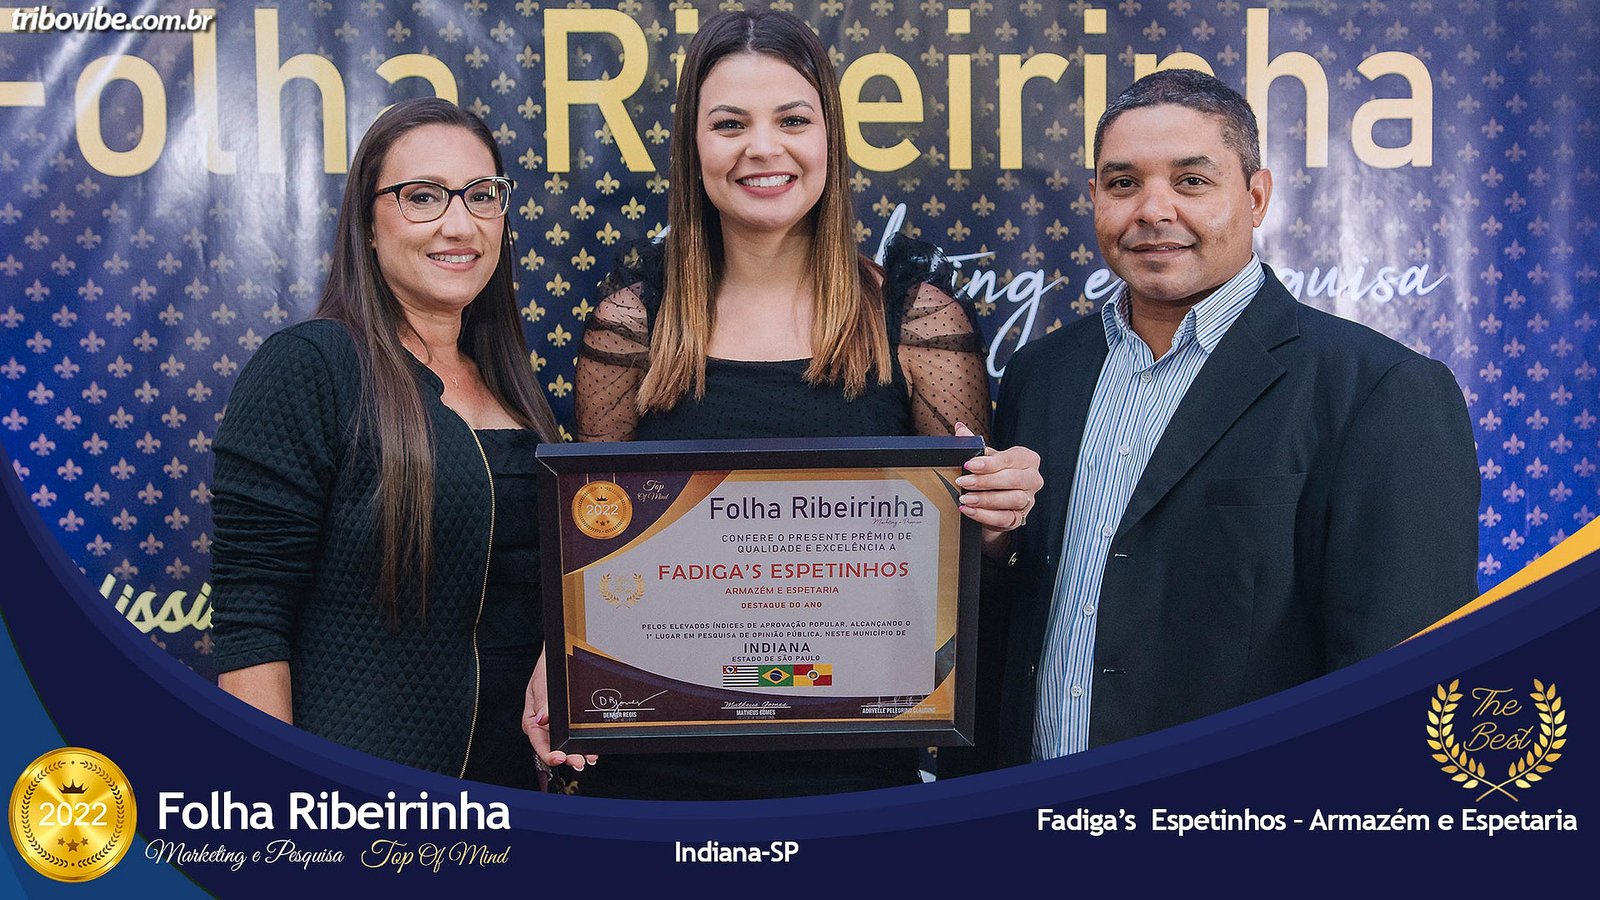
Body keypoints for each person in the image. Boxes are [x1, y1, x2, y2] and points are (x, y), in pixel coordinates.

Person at [523, 9, 1042, 799]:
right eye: (730, 124)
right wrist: (557, 657)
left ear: (829, 137)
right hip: (657, 777)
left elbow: (972, 579)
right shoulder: (632, 323)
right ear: (693, 147)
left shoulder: (917, 320)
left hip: (855, 779)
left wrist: (999, 524)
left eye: (792, 120)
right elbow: (591, 547)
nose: (763, 148)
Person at [977, 69, 1479, 768]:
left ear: (1256, 196)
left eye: (1191, 181)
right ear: (1094, 199)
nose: (1153, 210)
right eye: (1123, 184)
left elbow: (1399, 683)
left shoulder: (1380, 391)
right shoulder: (1041, 375)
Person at [210, 98, 562, 787]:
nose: (459, 223)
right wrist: (280, 802)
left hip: (517, 799)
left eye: (481, 195)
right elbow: (251, 624)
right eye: (422, 197)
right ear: (368, 226)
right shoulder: (310, 368)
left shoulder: (516, 388)